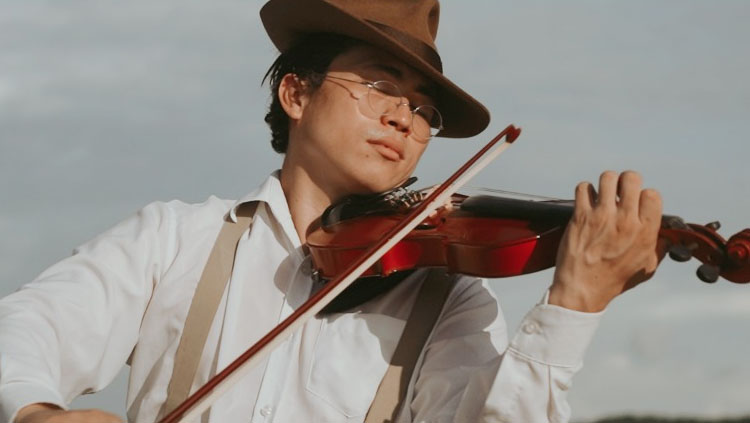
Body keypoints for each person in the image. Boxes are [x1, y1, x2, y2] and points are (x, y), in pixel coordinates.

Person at [0, 1, 664, 422]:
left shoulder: (449, 296)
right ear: (295, 92)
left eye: (425, 109)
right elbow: (26, 327)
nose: (405, 117)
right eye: (379, 84)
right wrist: (34, 412)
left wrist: (573, 303)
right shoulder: (176, 238)